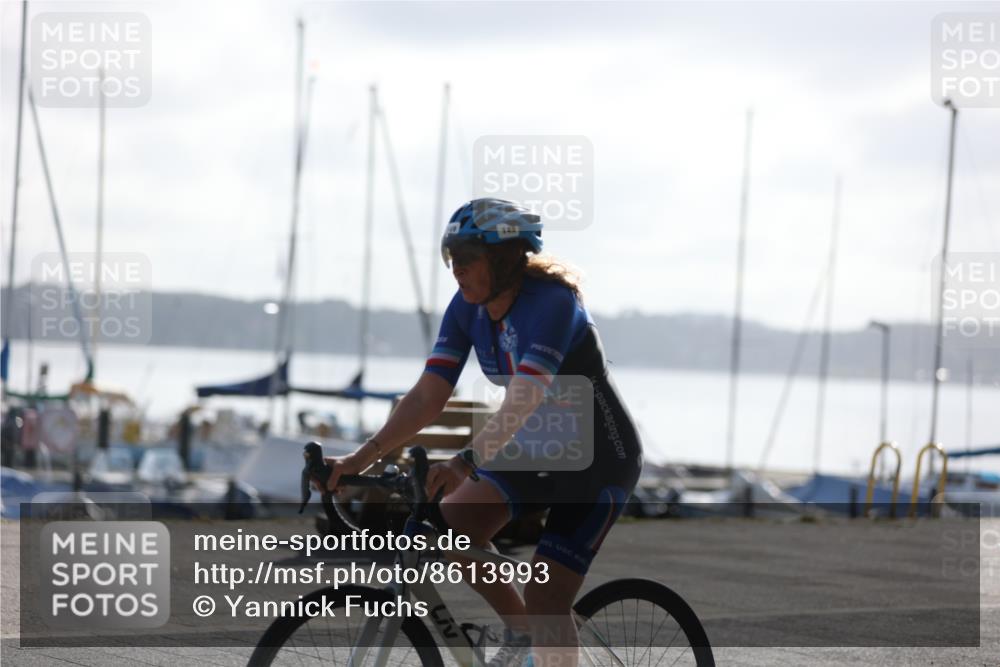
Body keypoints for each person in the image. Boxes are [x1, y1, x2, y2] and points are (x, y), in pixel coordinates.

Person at [324, 198, 643, 667]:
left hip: (597, 462)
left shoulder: (551, 303)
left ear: (504, 257)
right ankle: (521, 638)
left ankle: (540, 633)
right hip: (535, 450)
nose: (457, 269)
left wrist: (464, 461)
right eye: (451, 257)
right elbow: (428, 396)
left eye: (467, 258)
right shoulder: (467, 308)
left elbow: (524, 398)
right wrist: (358, 460)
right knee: (452, 527)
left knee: (546, 598)